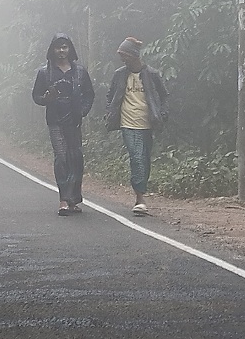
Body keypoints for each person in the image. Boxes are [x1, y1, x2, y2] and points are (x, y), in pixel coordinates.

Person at [32, 33, 95, 216]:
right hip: (55, 121)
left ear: (70, 49)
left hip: (74, 121)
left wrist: (82, 111)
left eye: (64, 47)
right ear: (52, 50)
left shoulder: (80, 72)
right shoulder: (45, 72)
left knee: (76, 158)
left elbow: (89, 94)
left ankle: (73, 199)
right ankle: (63, 199)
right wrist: (46, 99)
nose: (61, 51)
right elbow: (36, 96)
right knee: (61, 158)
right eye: (58, 47)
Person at [105, 37, 169, 215]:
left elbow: (164, 95)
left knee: (145, 159)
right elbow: (110, 96)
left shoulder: (152, 74)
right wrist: (110, 112)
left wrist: (163, 114)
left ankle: (141, 191)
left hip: (148, 123)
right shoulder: (119, 74)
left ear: (134, 55)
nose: (122, 59)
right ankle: (140, 198)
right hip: (127, 123)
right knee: (136, 157)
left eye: (124, 55)